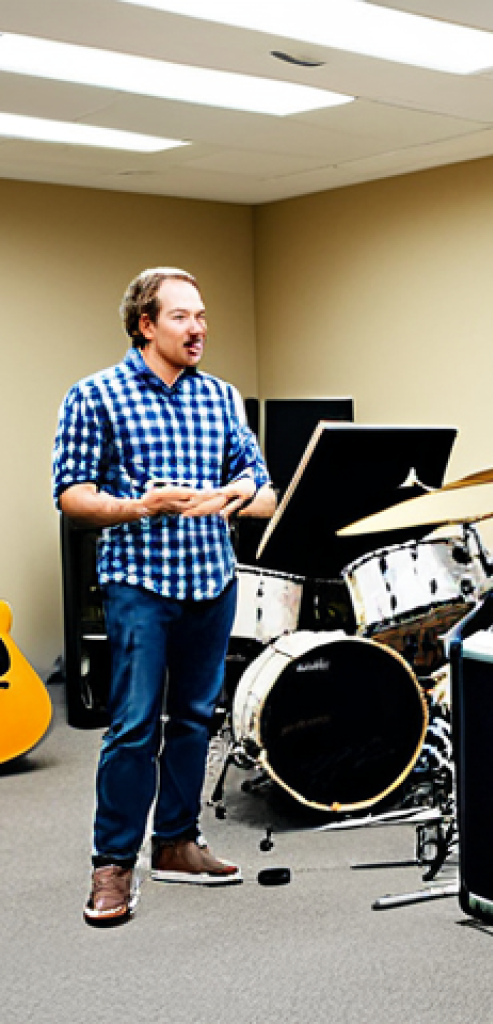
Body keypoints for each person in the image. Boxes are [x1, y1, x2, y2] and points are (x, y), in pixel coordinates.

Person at [52, 267, 276, 927]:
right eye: (182, 316)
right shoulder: (94, 395)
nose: (198, 327)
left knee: (195, 720)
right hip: (140, 585)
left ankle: (177, 842)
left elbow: (264, 491)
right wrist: (141, 506)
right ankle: (113, 866)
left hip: (212, 580)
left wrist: (234, 494)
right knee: (133, 726)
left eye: (201, 315)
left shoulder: (222, 397)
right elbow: (73, 497)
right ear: (145, 325)